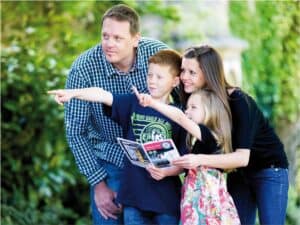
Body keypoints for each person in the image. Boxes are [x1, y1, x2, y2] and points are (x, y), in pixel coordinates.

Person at [49, 49, 187, 225]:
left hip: (166, 200)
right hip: (133, 198)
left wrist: (166, 171)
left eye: (159, 77)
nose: (152, 81)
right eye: (150, 75)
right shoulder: (134, 103)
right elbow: (102, 95)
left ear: (175, 81)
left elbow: (184, 161)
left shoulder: (180, 115)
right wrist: (73, 93)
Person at [60, 4, 169, 224]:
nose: (109, 44)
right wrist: (98, 184)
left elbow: (185, 96)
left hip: (155, 159)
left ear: (135, 39)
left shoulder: (157, 54)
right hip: (111, 159)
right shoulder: (84, 68)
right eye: (105, 36)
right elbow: (76, 133)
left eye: (118, 38)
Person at [176, 45, 289, 225]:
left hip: (268, 169)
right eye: (183, 70)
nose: (184, 77)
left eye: (191, 72)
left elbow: (242, 157)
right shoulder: (197, 102)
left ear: (209, 73)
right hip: (238, 173)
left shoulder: (238, 101)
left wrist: (198, 159)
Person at [135, 87, 241, 225]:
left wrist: (152, 103)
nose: (187, 111)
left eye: (193, 107)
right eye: (187, 107)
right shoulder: (197, 140)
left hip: (205, 204)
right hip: (194, 202)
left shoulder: (210, 136)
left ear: (209, 111)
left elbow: (180, 117)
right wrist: (165, 170)